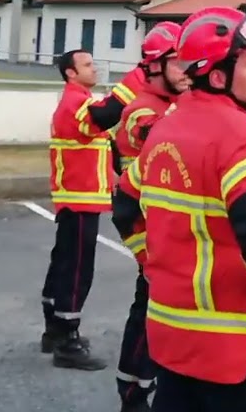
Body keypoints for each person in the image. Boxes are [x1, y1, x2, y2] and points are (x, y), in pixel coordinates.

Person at [127, 6, 246, 412]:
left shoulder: (165, 127)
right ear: (219, 77)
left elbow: (123, 202)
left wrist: (151, 263)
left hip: (171, 337)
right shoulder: (242, 138)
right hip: (237, 345)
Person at [41, 48, 145, 370]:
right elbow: (107, 113)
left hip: (81, 199)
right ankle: (67, 342)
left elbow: (105, 139)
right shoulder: (76, 104)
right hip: (79, 199)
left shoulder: (80, 101)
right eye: (87, 65)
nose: (94, 68)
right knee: (76, 270)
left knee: (63, 263)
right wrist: (143, 73)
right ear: (70, 73)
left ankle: (54, 331)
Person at [109, 21, 190, 412]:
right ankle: (133, 393)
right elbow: (165, 138)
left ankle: (147, 382)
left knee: (161, 309)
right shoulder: (144, 109)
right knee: (147, 309)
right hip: (144, 223)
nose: (186, 71)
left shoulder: (170, 103)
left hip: (164, 224)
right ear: (154, 66)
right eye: (177, 63)